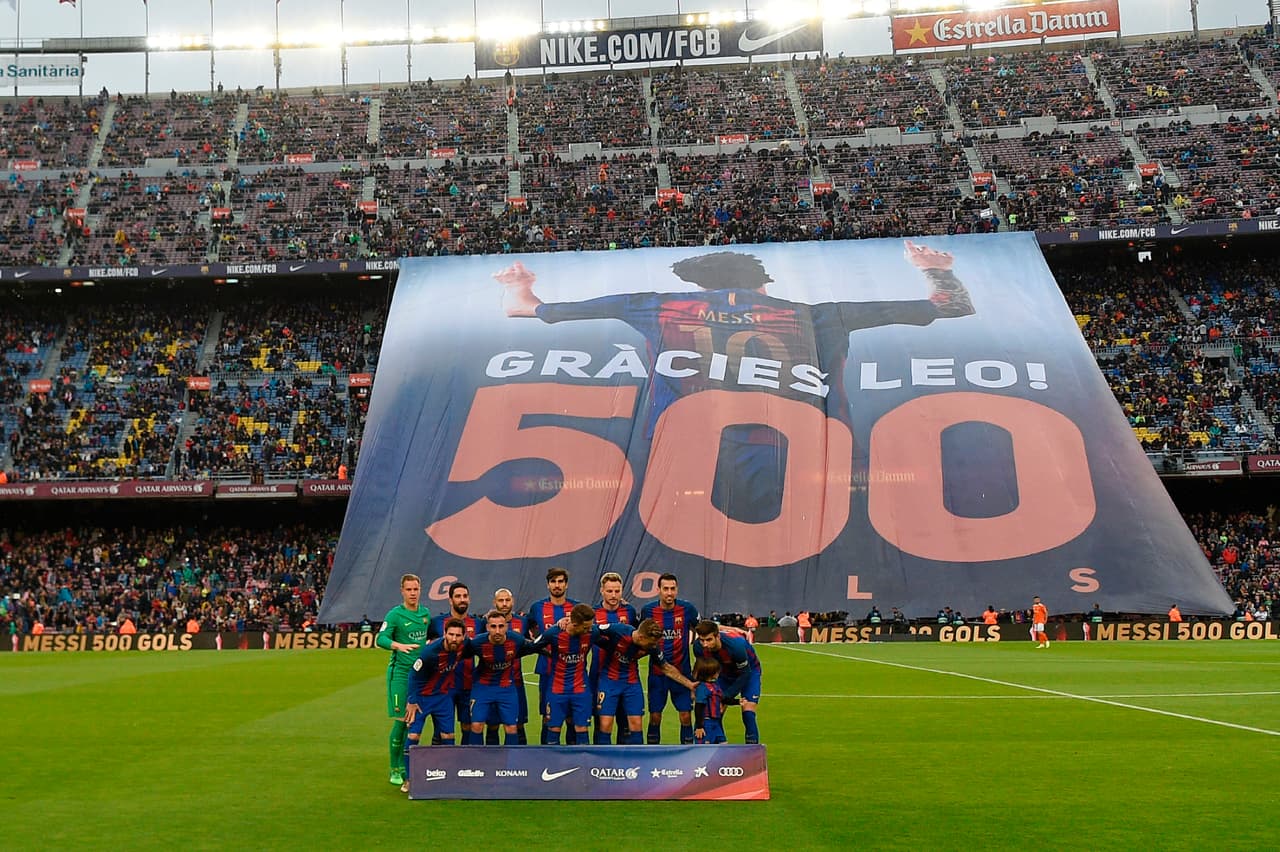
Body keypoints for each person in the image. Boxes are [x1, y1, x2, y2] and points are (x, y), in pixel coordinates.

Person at [495, 244, 975, 523]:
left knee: (683, 538)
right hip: (797, 455)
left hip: (681, 456)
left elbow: (528, 309)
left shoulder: (657, 304)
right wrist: (937, 269)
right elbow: (953, 306)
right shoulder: (817, 316)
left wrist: (520, 287)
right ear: (764, 284)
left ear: (699, 286)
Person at [592, 618, 696, 744]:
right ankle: (604, 761)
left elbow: (666, 667)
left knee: (636, 724)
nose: (654, 646)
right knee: (605, 724)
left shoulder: (652, 646)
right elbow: (592, 629)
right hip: (609, 681)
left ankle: (637, 760)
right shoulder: (619, 630)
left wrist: (689, 684)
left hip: (632, 683)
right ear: (641, 637)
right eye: (651, 643)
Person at [375, 573, 429, 788]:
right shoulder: (395, 614)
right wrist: (399, 646)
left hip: (419, 676)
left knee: (413, 721)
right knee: (401, 721)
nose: (413, 593)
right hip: (400, 674)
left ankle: (407, 764)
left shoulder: (425, 614)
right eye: (409, 589)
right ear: (402, 591)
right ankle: (394, 768)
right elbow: (381, 638)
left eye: (416, 589)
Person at [461, 610, 548, 745]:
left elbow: (533, 647)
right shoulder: (477, 643)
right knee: (477, 725)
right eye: (493, 627)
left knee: (511, 727)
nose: (497, 631)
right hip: (482, 687)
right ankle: (476, 760)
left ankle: (510, 763)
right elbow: (459, 654)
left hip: (507, 688)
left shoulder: (516, 640)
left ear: (507, 627)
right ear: (488, 627)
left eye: (501, 626)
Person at [402, 618, 469, 791]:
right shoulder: (430, 653)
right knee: (414, 736)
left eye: (458, 636)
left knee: (448, 736)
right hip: (422, 699)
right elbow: (413, 675)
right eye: (451, 634)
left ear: (463, 636)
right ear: (445, 634)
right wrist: (412, 701)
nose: (454, 639)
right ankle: (409, 778)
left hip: (443, 697)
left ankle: (449, 775)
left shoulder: (464, 646)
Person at [640, 573, 699, 744]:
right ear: (658, 590)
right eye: (665, 589)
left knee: (686, 716)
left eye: (672, 589)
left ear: (677, 590)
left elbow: (703, 630)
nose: (669, 593)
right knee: (655, 717)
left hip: (682, 673)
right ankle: (652, 754)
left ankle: (686, 754)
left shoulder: (687, 609)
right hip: (657, 674)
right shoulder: (648, 611)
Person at [525, 567, 580, 744]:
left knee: (571, 718)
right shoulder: (537, 608)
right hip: (547, 670)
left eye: (560, 581)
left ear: (566, 584)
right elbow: (531, 634)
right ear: (548, 585)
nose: (557, 585)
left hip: (572, 672)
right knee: (547, 716)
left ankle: (572, 757)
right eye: (553, 582)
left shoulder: (576, 607)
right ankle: (545, 756)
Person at [426, 582, 481, 744]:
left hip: (468, 685)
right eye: (458, 596)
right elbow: (427, 650)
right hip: (443, 686)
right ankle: (438, 767)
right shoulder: (436, 622)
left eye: (465, 596)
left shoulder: (478, 623)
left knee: (468, 726)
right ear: (450, 600)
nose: (462, 600)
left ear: (469, 599)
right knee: (442, 729)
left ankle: (465, 764)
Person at [692, 620, 763, 744]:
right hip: (724, 673)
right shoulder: (698, 647)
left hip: (749, 672)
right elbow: (703, 670)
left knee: (748, 713)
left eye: (709, 640)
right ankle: (718, 749)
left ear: (717, 636)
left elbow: (745, 674)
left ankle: (752, 752)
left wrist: (725, 697)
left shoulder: (736, 646)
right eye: (702, 640)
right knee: (714, 711)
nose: (704, 644)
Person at [537, 603, 596, 746]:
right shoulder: (553, 633)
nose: (589, 630)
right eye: (585, 627)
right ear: (575, 624)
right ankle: (552, 766)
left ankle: (583, 765)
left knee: (582, 728)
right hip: (557, 688)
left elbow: (613, 633)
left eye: (590, 626)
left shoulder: (593, 633)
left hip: (581, 687)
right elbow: (532, 646)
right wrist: (549, 654)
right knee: (554, 728)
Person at [593, 572, 638, 743]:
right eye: (610, 591)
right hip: (599, 674)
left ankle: (622, 764)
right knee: (602, 721)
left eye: (617, 591)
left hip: (626, 675)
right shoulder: (593, 613)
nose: (614, 595)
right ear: (602, 591)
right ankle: (600, 763)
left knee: (624, 721)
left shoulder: (630, 612)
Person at [490, 587, 532, 745]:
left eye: (507, 600)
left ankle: (521, 763)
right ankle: (491, 764)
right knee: (492, 725)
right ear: (495, 603)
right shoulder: (486, 623)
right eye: (501, 600)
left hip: (516, 683)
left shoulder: (522, 622)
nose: (504, 604)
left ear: (512, 601)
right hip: (492, 683)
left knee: (518, 724)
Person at [692, 658, 727, 744]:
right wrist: (699, 726)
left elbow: (723, 698)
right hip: (706, 722)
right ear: (712, 673)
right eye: (717, 672)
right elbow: (699, 707)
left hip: (716, 721)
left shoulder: (715, 686)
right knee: (705, 747)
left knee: (723, 745)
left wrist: (738, 702)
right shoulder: (703, 688)